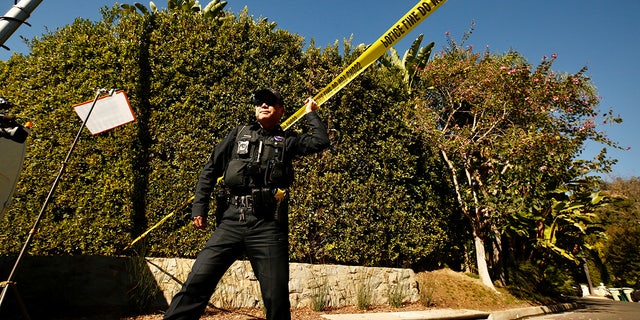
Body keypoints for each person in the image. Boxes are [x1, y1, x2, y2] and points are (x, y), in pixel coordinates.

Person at [163, 88, 330, 320]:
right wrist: (199, 207)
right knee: (197, 282)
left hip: (268, 225)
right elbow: (210, 170)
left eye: (270, 102)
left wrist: (311, 113)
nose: (263, 105)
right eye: (260, 102)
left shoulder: (288, 141)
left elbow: (320, 141)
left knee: (276, 297)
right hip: (231, 220)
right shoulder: (237, 134)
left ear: (281, 110)